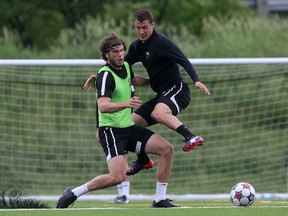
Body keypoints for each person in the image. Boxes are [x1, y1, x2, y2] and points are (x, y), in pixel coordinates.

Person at [56, 32, 177, 208]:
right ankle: (74, 192)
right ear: (106, 54)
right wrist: (126, 103)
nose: (120, 54)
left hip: (128, 128)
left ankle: (159, 199)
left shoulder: (126, 67)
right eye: (115, 52)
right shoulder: (105, 76)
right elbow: (103, 106)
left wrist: (157, 81)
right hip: (111, 131)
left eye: (121, 51)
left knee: (166, 149)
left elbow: (134, 79)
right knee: (117, 177)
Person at [124, 9, 211, 175]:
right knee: (128, 124)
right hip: (161, 94)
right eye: (137, 28)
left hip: (178, 89)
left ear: (152, 25)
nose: (141, 31)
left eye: (144, 27)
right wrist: (103, 74)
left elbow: (183, 60)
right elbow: (122, 65)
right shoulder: (136, 47)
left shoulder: (161, 42)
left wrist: (196, 80)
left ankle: (190, 136)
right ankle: (143, 160)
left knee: (158, 113)